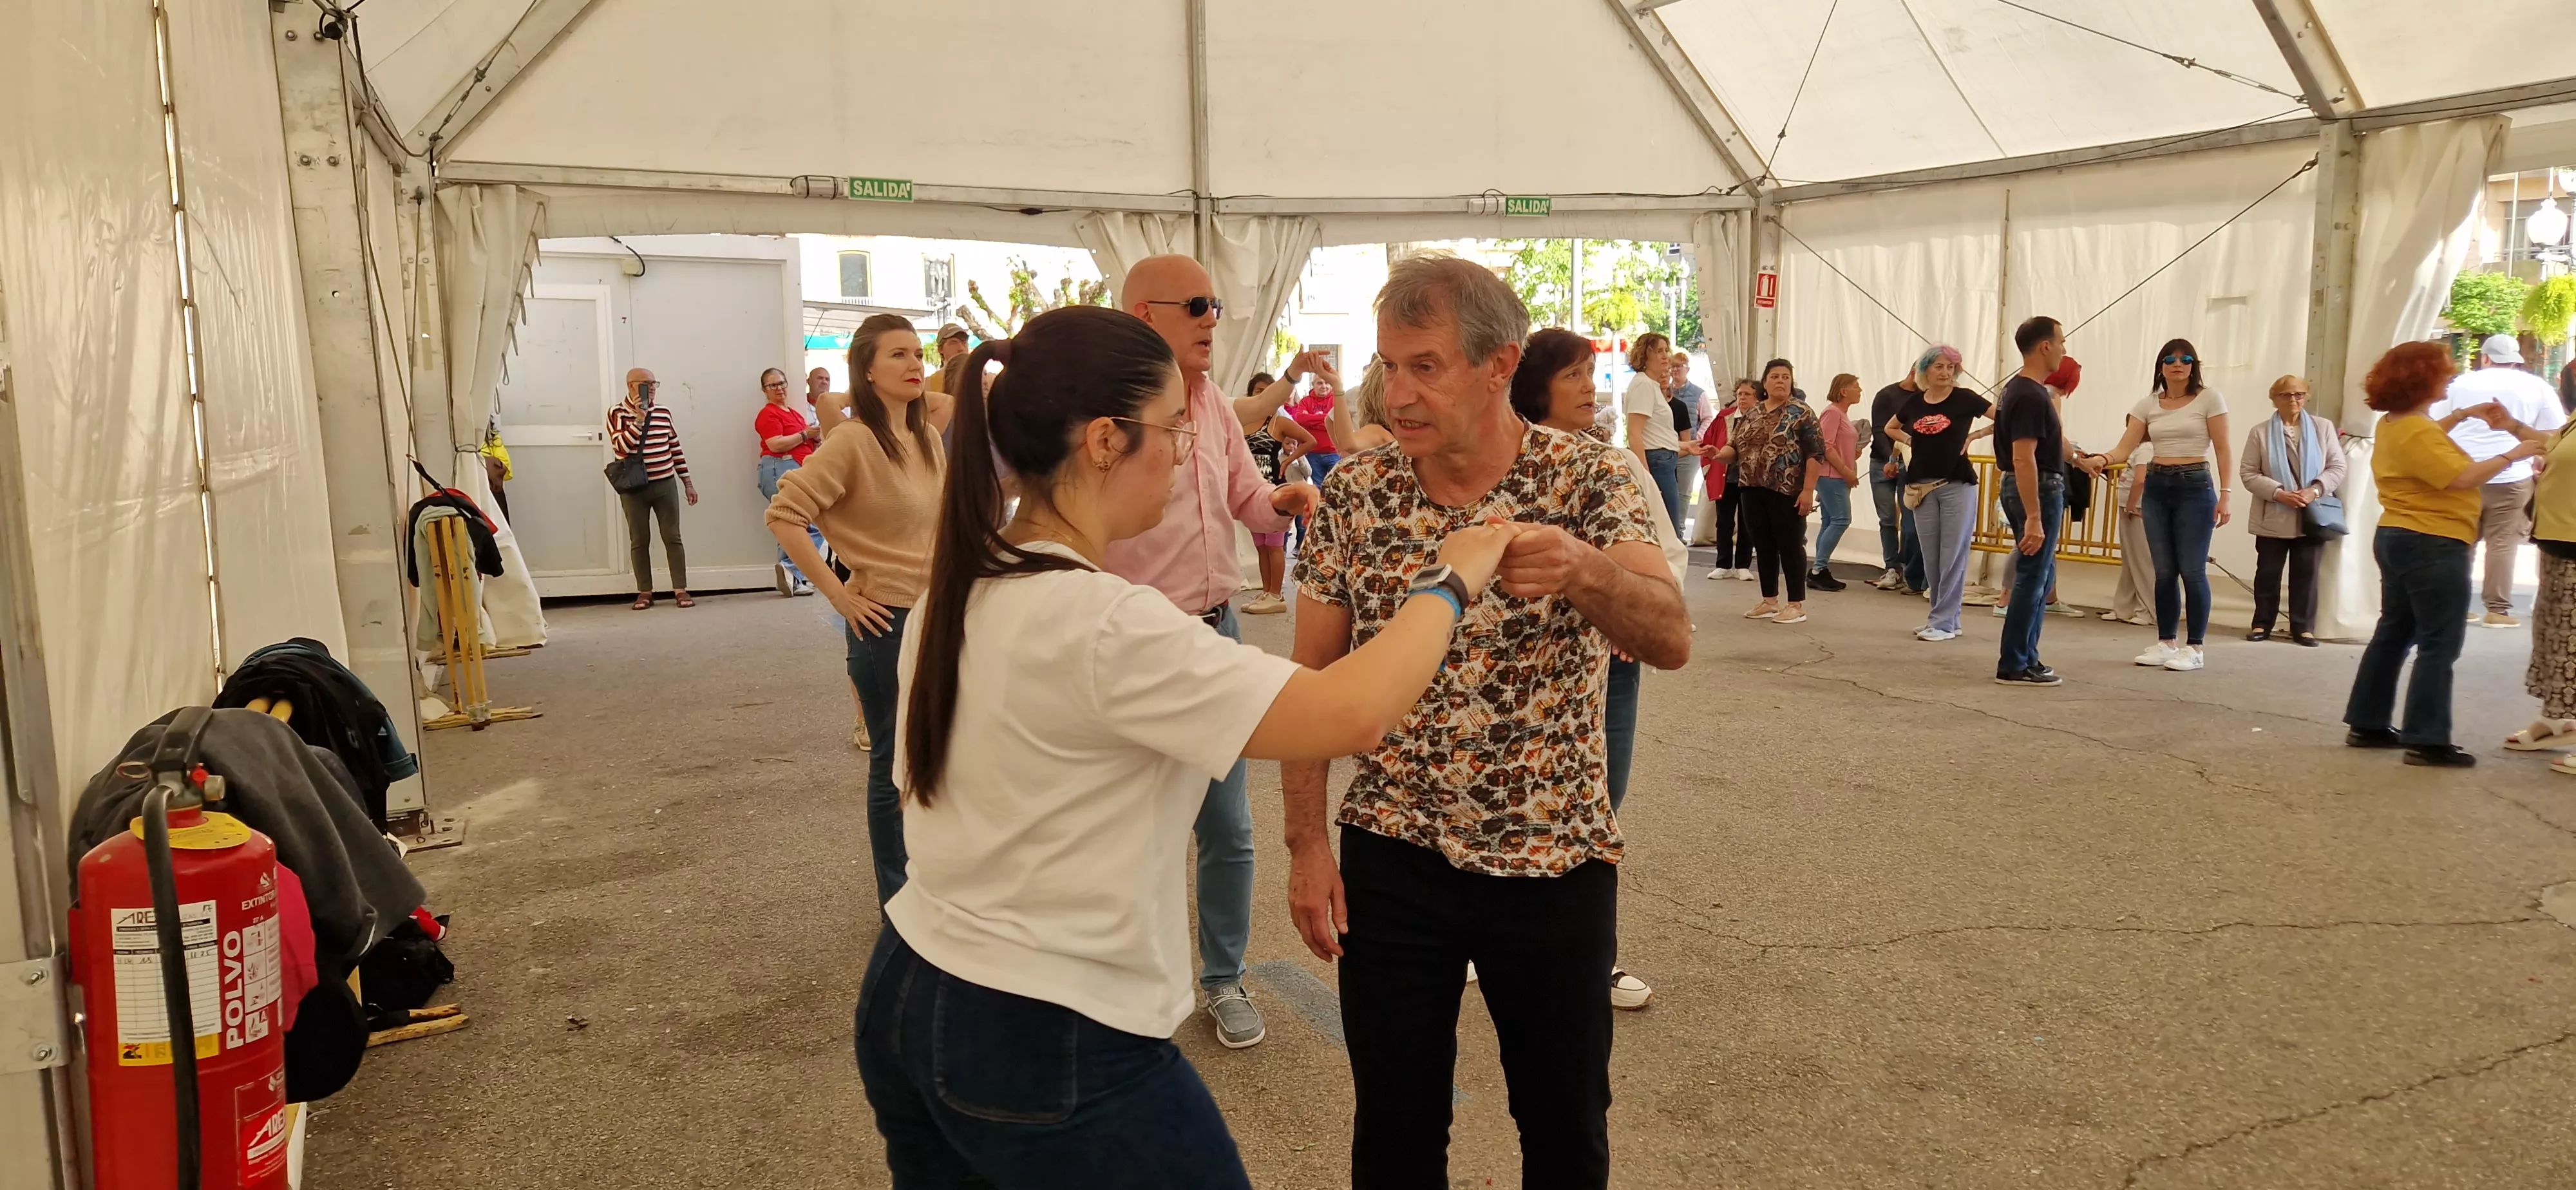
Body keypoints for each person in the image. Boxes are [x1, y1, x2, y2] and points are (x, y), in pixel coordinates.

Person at [862, 305, 1523, 1188]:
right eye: (1175, 429)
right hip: (1048, 1026)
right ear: (1105, 440)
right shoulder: (1104, 621)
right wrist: (1453, 578)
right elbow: (1348, 712)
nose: (1189, 453)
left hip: (914, 981)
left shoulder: (974, 579)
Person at [1287, 255, 1688, 1188]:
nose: (1399, 392)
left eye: (1426, 366)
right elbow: (1307, 681)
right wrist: (1307, 847)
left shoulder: (1589, 476)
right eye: (1390, 366)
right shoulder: (1356, 494)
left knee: (1563, 1127)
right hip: (1392, 854)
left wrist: (1588, 572)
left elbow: (1670, 638)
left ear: (1500, 363)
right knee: (1392, 1130)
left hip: (1553, 861)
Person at [1102, 254, 1321, 1050]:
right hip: (1133, 642)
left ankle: (1221, 979)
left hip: (1216, 632)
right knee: (1132, 825)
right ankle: (1125, 986)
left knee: (1226, 827)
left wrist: (1282, 501)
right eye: (1196, 304)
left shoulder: (1214, 407)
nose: (1212, 318)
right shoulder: (1104, 414)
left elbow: (1244, 499)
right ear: (1141, 316)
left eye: (1217, 303)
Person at [1509, 326, 1687, 1012]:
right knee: (1512, 802)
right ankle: (1491, 941)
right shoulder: (1507, 467)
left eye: (1591, 374)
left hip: (1616, 666)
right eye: (1573, 376)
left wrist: (1628, 609)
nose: (1589, 387)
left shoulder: (1618, 466)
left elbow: (1666, 557)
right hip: (1531, 671)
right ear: (1534, 388)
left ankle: (1591, 959)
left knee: (1598, 810)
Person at [767, 314, 945, 905]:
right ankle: (898, 900)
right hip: (884, 623)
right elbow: (785, 516)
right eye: (897, 355)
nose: (915, 364)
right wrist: (840, 595)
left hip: (935, 619)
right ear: (866, 370)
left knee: (937, 758)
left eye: (918, 353)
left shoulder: (927, 440)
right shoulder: (852, 441)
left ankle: (935, 885)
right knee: (892, 763)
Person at [2344, 342, 2540, 768]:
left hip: (2400, 534)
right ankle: (2428, 738)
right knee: (2439, 641)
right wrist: (2515, 453)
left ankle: (2368, 721)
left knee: (2394, 631)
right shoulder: (2416, 430)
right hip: (2432, 540)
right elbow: (2461, 477)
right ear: (2421, 379)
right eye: (2445, 372)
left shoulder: (2397, 424)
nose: (2451, 378)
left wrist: (2460, 416)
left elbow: (2427, 444)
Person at [2095, 339, 2233, 672]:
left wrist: (2226, 493)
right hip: (2157, 485)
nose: (2177, 364)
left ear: (2193, 365)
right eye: (2169, 359)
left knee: (2192, 569)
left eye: (2185, 359)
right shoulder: (2147, 404)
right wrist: (2101, 458)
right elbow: (2125, 449)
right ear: (2160, 366)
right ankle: (2166, 642)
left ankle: (2195, 647)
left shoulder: (2209, 398)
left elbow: (2224, 448)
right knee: (2164, 571)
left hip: (2195, 485)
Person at [1990, 317, 2103, 686]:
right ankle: (2014, 663)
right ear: (2045, 346)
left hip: (2036, 483)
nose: (2064, 350)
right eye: (2062, 342)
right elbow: (2024, 456)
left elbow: (2053, 443)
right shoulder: (2030, 394)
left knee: (2040, 574)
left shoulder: (2021, 391)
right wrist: (2035, 516)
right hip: (2037, 487)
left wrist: (2079, 460)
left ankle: (2028, 657)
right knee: (2033, 576)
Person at [2466, 398, 2576, 763]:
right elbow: (2555, 445)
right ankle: (2558, 719)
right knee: (2555, 639)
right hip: (2559, 539)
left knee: (2572, 642)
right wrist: (2513, 426)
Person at [2432, 333, 2566, 627]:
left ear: (2485, 358)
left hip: (2466, 472)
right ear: (2516, 360)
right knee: (2503, 543)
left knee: (2462, 540)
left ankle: (2458, 606)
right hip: (2512, 474)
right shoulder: (2536, 385)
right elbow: (2556, 433)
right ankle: (2497, 610)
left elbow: (2436, 424)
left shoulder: (2462, 383)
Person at [1706, 359, 1825, 622]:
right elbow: (1734, 448)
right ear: (1765, 382)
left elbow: (1816, 453)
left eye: (1785, 377)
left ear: (1792, 382)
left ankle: (1796, 604)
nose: (1780, 381)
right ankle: (1770, 600)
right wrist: (1718, 454)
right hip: (1751, 488)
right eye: (1775, 377)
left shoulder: (1801, 412)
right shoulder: (1752, 412)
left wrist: (1808, 490)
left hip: (1787, 490)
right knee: (1763, 545)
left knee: (1790, 545)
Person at [1881, 346, 1987, 641]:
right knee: (1931, 556)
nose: (1945, 373)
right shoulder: (1915, 402)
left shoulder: (1965, 398)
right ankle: (1945, 618)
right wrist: (1910, 439)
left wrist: (1976, 435)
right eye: (1939, 367)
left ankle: (1943, 620)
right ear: (1925, 370)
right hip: (1921, 486)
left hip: (1957, 483)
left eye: (1951, 367)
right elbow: (1891, 427)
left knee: (1952, 554)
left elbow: (2004, 417)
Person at [2238, 375, 2346, 645]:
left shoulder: (2323, 428)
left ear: (2307, 396)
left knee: (2307, 573)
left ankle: (2303, 627)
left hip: (2313, 515)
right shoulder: (2260, 432)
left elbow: (2337, 467)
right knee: (2267, 573)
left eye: (2299, 394)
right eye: (2286, 395)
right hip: (2273, 515)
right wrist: (2278, 493)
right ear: (2273, 399)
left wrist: (2315, 490)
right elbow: (2248, 472)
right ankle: (2262, 623)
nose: (2293, 400)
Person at [606, 368, 697, 609]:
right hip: (634, 488)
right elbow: (621, 447)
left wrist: (687, 482)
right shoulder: (617, 412)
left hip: (665, 483)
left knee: (672, 537)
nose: (652, 388)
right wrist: (639, 419)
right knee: (640, 539)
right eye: (646, 384)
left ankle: (680, 589)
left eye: (655, 383)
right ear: (631, 386)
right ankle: (645, 592)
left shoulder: (664, 413)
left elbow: (675, 448)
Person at [1240, 371, 1316, 616]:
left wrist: (1288, 461)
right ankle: (1266, 590)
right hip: (1252, 492)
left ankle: (1276, 593)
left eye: (1267, 391)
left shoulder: (1278, 422)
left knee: (1274, 546)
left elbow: (1309, 440)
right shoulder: (1242, 421)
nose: (1262, 396)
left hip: (1276, 489)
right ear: (1250, 394)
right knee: (1260, 545)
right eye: (1258, 391)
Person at [753, 366, 826, 597]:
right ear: (765, 390)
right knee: (809, 524)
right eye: (773, 385)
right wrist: (806, 435)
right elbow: (775, 444)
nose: (779, 389)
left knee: (792, 523)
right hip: (781, 468)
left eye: (782, 383)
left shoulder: (793, 413)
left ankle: (794, 576)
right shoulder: (769, 414)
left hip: (795, 469)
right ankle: (792, 570)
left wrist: (813, 439)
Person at [1866, 369, 1927, 593]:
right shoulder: (1887, 395)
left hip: (1910, 463)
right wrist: (1889, 459)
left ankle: (1911, 571)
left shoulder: (1925, 397)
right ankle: (1892, 567)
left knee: (1911, 522)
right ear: (1915, 373)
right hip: (1882, 461)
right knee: (1888, 519)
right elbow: (1880, 430)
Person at [1619, 333, 1684, 531]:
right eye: (1659, 351)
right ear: (1645, 355)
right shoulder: (1643, 384)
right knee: (1668, 527)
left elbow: (1654, 432)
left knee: (1669, 524)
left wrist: (1683, 445)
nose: (1665, 356)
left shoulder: (1651, 385)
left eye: (1666, 351)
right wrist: (1645, 475)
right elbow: (1634, 433)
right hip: (1656, 461)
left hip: (1663, 458)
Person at [1810, 373, 1863, 590]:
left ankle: (1819, 568)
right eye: (1856, 386)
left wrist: (1852, 454)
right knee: (1841, 520)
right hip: (1832, 475)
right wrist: (1846, 470)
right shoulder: (1832, 413)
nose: (1860, 391)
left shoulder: (1840, 414)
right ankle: (1818, 569)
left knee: (1830, 521)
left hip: (1836, 475)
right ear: (1844, 391)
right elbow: (1826, 445)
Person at [1699, 381, 1757, 580]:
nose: (1743, 398)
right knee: (1723, 522)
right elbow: (1708, 441)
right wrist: (1708, 468)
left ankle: (1743, 565)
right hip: (1726, 477)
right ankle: (1723, 563)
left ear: (1757, 398)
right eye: (1740, 394)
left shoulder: (1763, 419)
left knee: (1747, 522)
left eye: (1748, 394)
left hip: (1751, 480)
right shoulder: (1724, 418)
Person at [1671, 351, 1712, 540]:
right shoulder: (1663, 392)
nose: (1676, 370)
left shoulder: (1698, 394)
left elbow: (1707, 419)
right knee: (1666, 488)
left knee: (1683, 492)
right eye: (1673, 366)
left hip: (1690, 451)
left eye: (1680, 366)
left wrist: (1698, 438)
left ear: (1688, 369)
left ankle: (1679, 529)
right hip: (1668, 448)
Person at [811, 364, 854, 433]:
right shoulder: (799, 405)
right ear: (809, 381)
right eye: (820, 378)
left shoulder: (843, 407)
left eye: (827, 379)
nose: (824, 382)